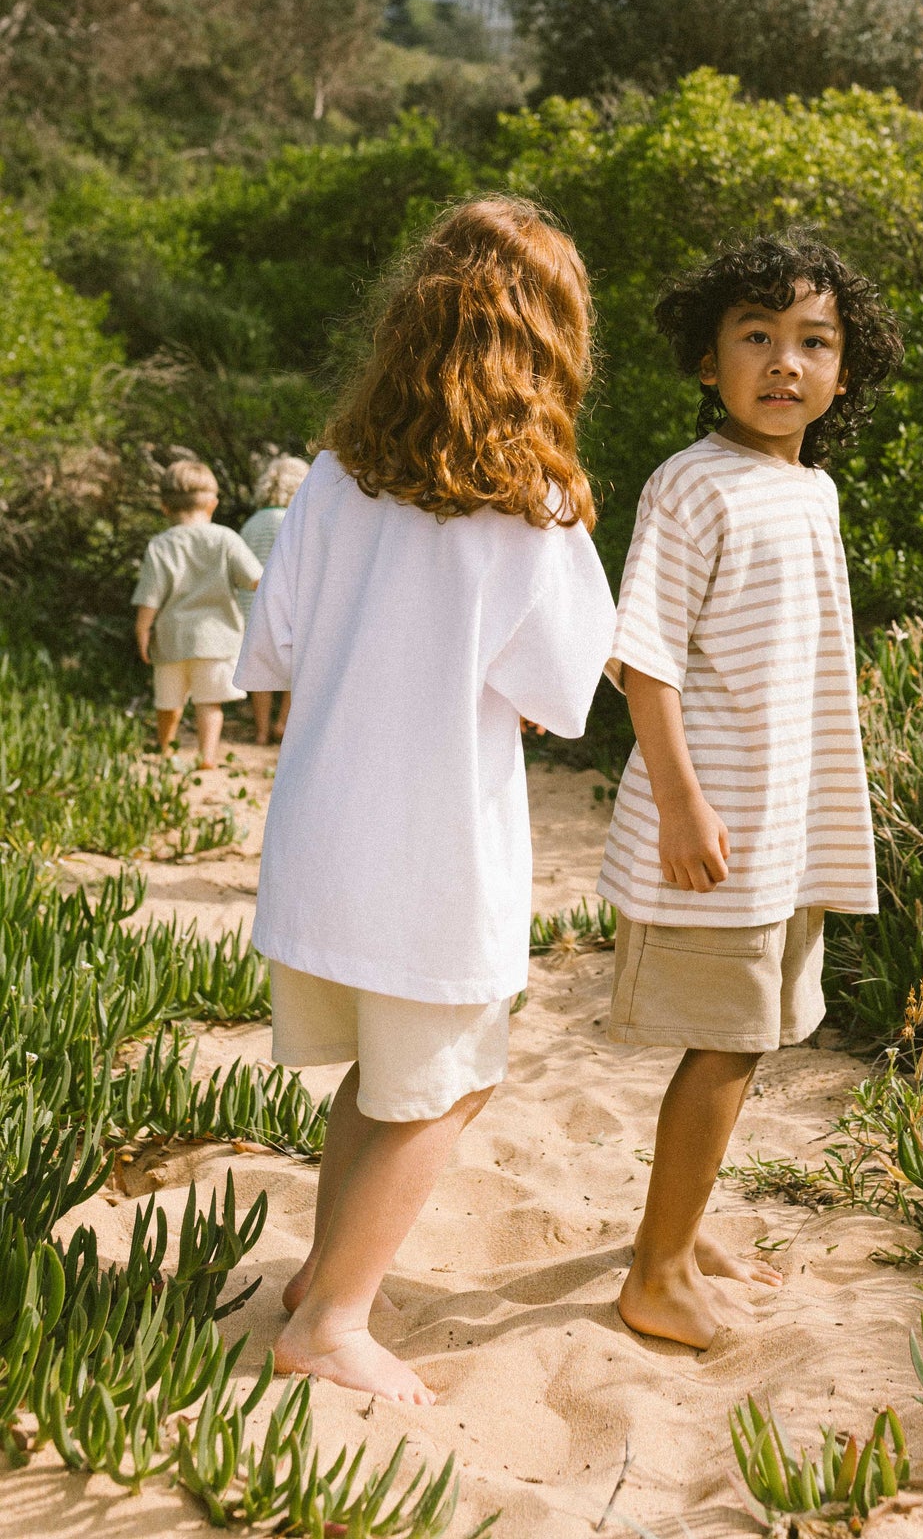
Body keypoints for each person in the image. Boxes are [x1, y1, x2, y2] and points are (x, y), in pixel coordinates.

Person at [235, 197, 615, 1405]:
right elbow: (559, 694)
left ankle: (319, 1279)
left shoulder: (337, 473)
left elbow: (278, 641)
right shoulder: (538, 504)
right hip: (438, 843)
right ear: (549, 340)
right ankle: (335, 1314)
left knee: (381, 1071)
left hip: (324, 831)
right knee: (447, 1079)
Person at [598, 231, 903, 1349]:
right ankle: (655, 1268)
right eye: (756, 336)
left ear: (843, 369)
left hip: (784, 822)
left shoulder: (807, 485)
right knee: (723, 1042)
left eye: (812, 342)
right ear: (705, 362)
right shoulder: (689, 482)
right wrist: (680, 801)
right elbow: (646, 656)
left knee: (753, 1034)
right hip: (713, 820)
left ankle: (681, 1227)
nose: (785, 362)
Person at [132, 459, 263, 769]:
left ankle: (165, 750)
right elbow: (257, 579)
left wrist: (142, 630)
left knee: (168, 702)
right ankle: (207, 757)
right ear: (213, 504)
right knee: (209, 702)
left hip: (171, 639)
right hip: (217, 639)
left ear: (164, 507)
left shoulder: (161, 545)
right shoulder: (226, 538)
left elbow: (150, 596)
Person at [240, 455, 310, 746]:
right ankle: (283, 723)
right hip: (287, 605)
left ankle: (260, 730)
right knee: (294, 667)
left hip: (250, 606)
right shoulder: (295, 520)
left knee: (261, 671)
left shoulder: (252, 523)